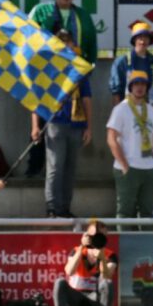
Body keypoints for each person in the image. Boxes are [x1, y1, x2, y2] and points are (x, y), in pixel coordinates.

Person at [27, 0, 99, 177]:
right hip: (46, 75)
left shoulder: (83, 15)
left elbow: (92, 45)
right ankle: (34, 167)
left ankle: (57, 173)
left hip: (72, 80)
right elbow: (29, 36)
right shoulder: (42, 11)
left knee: (65, 125)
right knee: (41, 122)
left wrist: (88, 69)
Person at [34, 29, 92, 218]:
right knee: (55, 166)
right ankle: (52, 207)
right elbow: (37, 99)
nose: (65, 46)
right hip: (55, 121)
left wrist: (89, 126)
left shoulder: (79, 68)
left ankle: (65, 207)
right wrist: (35, 125)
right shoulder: (49, 68)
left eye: (68, 42)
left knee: (70, 168)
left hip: (77, 122)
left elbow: (87, 98)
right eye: (61, 42)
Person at [106, 70, 153, 218]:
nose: (140, 87)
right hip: (129, 167)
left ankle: (144, 241)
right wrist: (124, 165)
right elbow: (111, 139)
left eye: (143, 84)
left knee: (147, 212)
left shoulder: (151, 110)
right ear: (130, 87)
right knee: (125, 211)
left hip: (149, 167)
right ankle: (124, 241)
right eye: (136, 84)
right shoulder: (120, 109)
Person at [52, 220, 117, 306]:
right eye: (94, 236)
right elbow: (69, 271)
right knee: (60, 282)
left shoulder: (110, 255)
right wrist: (82, 246)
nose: (97, 239)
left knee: (108, 283)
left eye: (101, 236)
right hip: (76, 296)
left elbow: (107, 275)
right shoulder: (77, 251)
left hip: (96, 298)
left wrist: (102, 259)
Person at [109, 23, 153, 122]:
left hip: (150, 113)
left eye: (146, 38)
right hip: (127, 113)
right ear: (134, 40)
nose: (143, 41)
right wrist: (117, 117)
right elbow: (116, 92)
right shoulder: (122, 62)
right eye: (140, 37)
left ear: (150, 41)